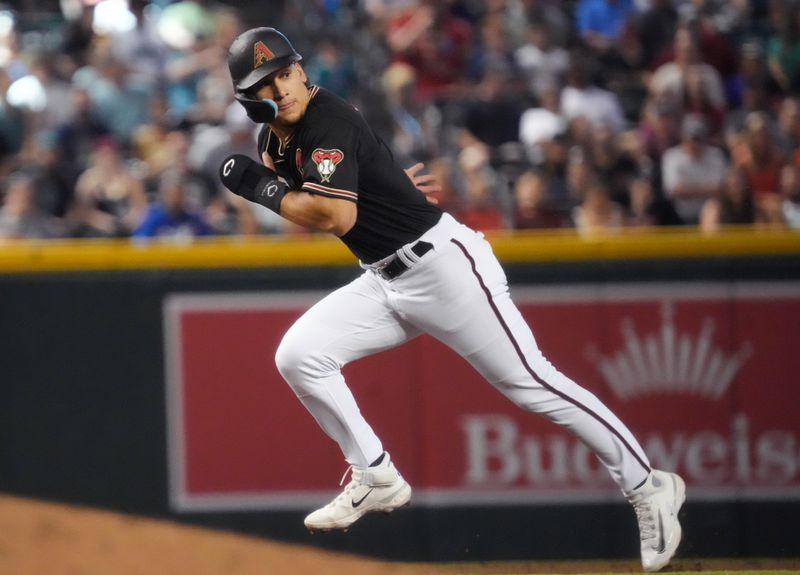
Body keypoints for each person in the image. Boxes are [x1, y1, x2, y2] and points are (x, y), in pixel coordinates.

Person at [219, 27, 686, 573]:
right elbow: (330, 194)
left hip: (443, 269)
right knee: (299, 355)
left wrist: (260, 189)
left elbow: (333, 215)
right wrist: (384, 183)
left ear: (301, 69)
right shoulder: (272, 140)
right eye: (267, 82)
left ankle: (647, 484)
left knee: (534, 384)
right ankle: (375, 473)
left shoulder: (328, 117)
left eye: (286, 71)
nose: (284, 85)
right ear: (252, 99)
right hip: (384, 278)